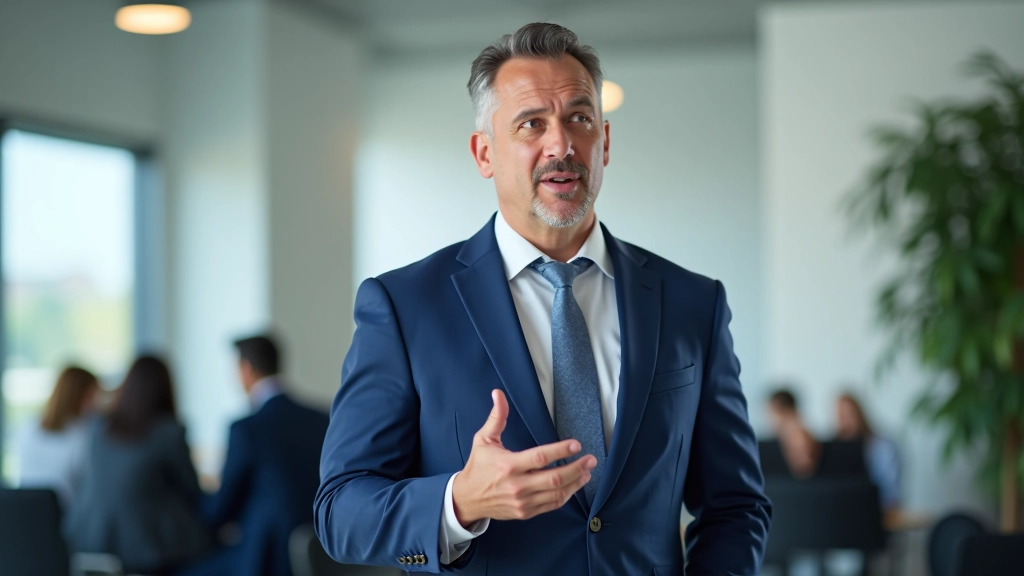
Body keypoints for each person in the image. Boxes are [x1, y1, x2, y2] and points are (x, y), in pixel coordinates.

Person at [315, 22, 771, 575]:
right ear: (485, 153)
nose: (561, 144)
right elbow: (340, 512)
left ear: (605, 140)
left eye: (579, 118)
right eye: (532, 123)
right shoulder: (405, 306)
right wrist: (460, 501)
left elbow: (735, 506)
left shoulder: (691, 302)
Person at [181, 335, 330, 576]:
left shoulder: (247, 428)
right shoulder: (321, 419)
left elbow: (222, 508)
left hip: (264, 557)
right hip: (321, 552)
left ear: (245, 369)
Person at [66, 356, 210, 574]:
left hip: (93, 537)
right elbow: (191, 490)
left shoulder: (97, 427)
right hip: (148, 546)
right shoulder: (169, 433)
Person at [16, 366, 99, 509]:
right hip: (64, 520)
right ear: (78, 395)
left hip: (24, 517)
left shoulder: (27, 428)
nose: (96, 404)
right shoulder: (82, 435)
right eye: (92, 396)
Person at [836, 393, 901, 510]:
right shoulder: (833, 450)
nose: (846, 422)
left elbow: (891, 492)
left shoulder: (882, 447)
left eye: (849, 415)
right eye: (841, 417)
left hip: (879, 511)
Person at [766, 389, 821, 479]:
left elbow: (804, 468)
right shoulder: (788, 436)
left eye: (771, 413)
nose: (769, 419)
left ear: (781, 411)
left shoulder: (797, 437)